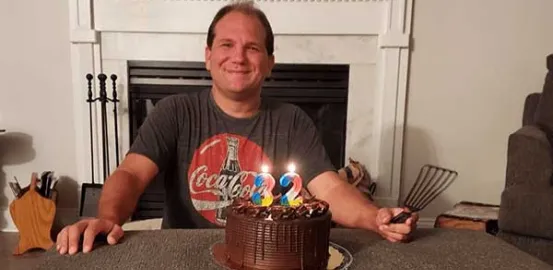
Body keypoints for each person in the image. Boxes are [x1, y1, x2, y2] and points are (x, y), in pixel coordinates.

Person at [56, 1, 418, 255]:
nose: (238, 57)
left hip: (268, 256)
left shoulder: (292, 120)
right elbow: (131, 174)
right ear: (208, 56)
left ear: (270, 62)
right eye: (226, 44)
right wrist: (106, 219)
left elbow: (331, 188)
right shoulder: (175, 112)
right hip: (185, 254)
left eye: (253, 47)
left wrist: (376, 218)